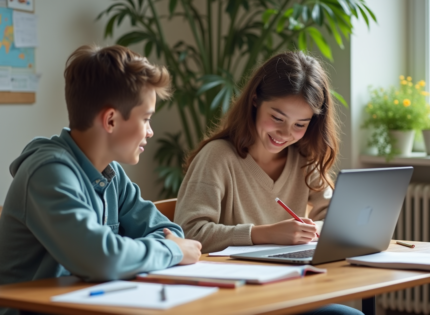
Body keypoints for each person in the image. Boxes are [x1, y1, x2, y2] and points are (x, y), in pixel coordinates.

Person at [0, 45, 201, 315]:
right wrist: (169, 251)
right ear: (110, 120)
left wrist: (149, 249)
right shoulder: (48, 173)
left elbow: (169, 231)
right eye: (146, 118)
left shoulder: (110, 174)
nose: (150, 132)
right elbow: (103, 259)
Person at [174, 51, 363, 315]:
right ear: (254, 101)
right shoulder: (217, 157)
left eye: (300, 124)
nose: (286, 134)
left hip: (291, 293)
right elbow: (189, 232)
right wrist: (264, 234)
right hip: (234, 300)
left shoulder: (304, 158)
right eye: (277, 118)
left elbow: (336, 217)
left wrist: (313, 228)